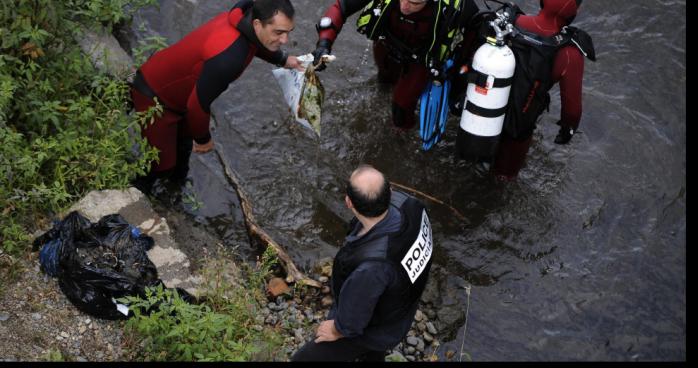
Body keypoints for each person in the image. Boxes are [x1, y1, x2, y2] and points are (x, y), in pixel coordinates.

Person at [130, 0, 304, 193]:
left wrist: (283, 59)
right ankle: (134, 194)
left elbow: (256, 42)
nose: (285, 40)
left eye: (288, 32)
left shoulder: (241, 15)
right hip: (155, 96)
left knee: (183, 150)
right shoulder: (228, 60)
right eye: (278, 33)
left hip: (177, 90)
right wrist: (204, 140)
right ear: (257, 24)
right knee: (162, 167)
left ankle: (175, 194)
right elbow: (196, 107)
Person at [292, 165, 434, 361]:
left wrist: (337, 329)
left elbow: (353, 321)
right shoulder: (412, 204)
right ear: (390, 191)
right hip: (402, 308)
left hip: (377, 328)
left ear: (348, 202)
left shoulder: (372, 267)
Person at [311, 0, 479, 131]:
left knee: (401, 107)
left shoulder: (458, 5)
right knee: (383, 81)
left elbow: (477, 26)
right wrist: (324, 44)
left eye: (415, 3)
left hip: (419, 60)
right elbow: (341, 7)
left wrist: (464, 68)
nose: (405, 6)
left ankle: (398, 141)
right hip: (386, 43)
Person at [485, 0, 595, 181]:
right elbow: (572, 111)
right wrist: (566, 132)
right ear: (574, 10)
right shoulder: (569, 52)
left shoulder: (508, 21)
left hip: (482, 110)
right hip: (517, 127)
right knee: (503, 179)